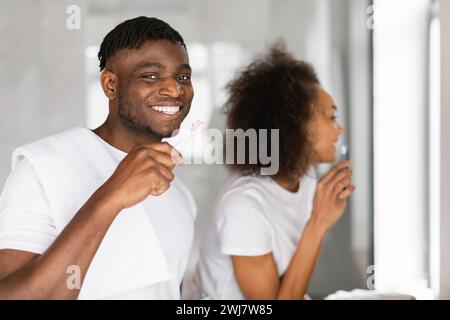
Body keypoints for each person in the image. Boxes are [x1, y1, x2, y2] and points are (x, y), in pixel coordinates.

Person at [0, 16, 196, 299]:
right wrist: (111, 196)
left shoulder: (181, 194)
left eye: (183, 77)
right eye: (151, 76)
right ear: (111, 85)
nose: (175, 89)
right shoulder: (42, 168)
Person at [183, 44, 355, 300]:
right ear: (295, 126)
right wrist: (318, 224)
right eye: (331, 117)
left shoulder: (305, 178)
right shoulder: (243, 205)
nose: (339, 129)